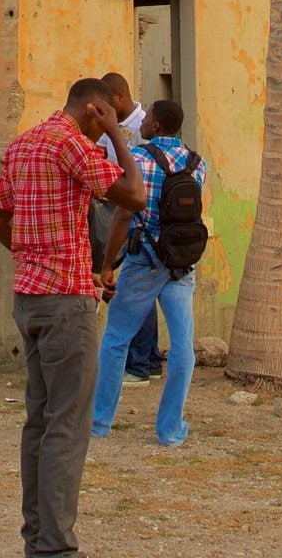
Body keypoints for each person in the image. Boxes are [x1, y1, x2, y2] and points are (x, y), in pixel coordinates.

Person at [0, 77, 146, 558]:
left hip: (29, 299)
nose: (105, 130)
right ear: (96, 109)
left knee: (38, 420)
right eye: (106, 118)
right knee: (67, 425)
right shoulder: (72, 144)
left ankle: (36, 535)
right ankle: (55, 545)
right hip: (67, 302)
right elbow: (134, 195)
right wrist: (119, 136)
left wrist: (33, 258)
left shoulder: (22, 145)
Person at [91, 99, 209, 447]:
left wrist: (108, 264)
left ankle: (99, 422)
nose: (142, 122)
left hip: (144, 261)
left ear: (156, 126)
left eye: (148, 118)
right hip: (181, 262)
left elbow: (124, 216)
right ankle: (170, 430)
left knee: (115, 340)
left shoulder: (140, 160)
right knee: (182, 344)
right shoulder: (196, 163)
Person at [94, 72, 161, 385]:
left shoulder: (145, 125)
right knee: (133, 286)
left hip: (138, 214)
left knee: (133, 287)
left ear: (119, 97)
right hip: (112, 206)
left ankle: (140, 361)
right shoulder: (110, 127)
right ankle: (149, 356)